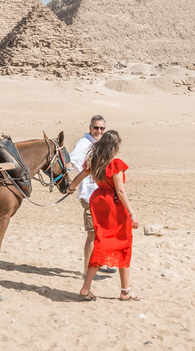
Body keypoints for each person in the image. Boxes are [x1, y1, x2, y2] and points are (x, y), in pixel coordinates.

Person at [67, 130, 141, 301]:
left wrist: (71, 189)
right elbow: (120, 191)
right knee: (123, 244)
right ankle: (125, 291)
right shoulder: (115, 164)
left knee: (100, 243)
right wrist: (132, 213)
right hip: (114, 207)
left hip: (98, 202)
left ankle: (86, 288)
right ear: (115, 146)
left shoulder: (94, 161)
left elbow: (78, 178)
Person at [68, 115, 116, 280]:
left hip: (101, 193)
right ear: (90, 128)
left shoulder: (100, 144)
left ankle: (100, 263)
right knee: (92, 234)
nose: (99, 131)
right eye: (96, 128)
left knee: (102, 232)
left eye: (102, 128)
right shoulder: (83, 144)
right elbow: (72, 162)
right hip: (89, 195)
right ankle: (88, 271)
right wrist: (70, 185)